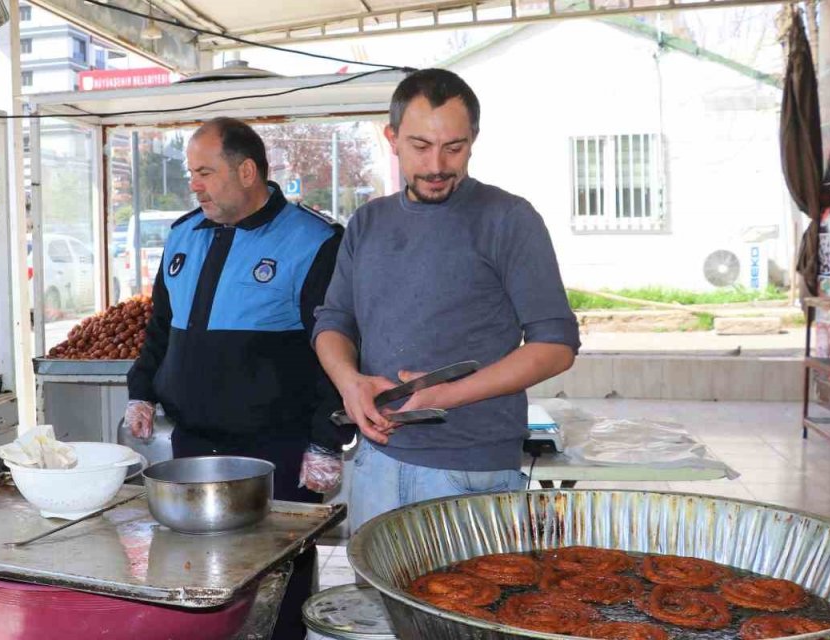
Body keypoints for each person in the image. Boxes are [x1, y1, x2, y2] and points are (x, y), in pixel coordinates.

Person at [312, 69, 581, 533]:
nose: (437, 164)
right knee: (375, 605)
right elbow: (333, 321)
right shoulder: (367, 222)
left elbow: (555, 346)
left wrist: (448, 395)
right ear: (392, 137)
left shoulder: (509, 219)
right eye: (420, 146)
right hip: (376, 464)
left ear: (473, 139)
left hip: (472, 473)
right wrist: (349, 382)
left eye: (453, 147)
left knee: (462, 605)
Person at [125, 117, 349, 640]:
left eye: (205, 172)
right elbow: (161, 328)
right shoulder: (183, 235)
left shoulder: (313, 241)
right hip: (195, 442)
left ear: (247, 171)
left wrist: (325, 439)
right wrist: (142, 390)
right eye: (191, 173)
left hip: (279, 449)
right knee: (200, 576)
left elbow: (338, 347)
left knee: (278, 581)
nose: (193, 185)